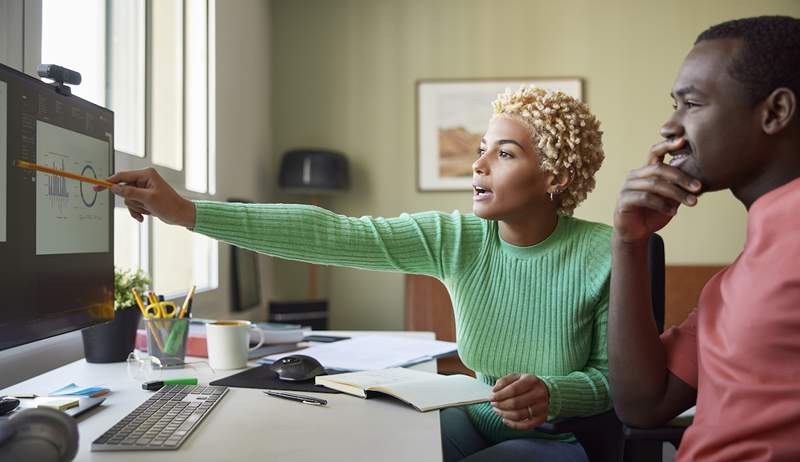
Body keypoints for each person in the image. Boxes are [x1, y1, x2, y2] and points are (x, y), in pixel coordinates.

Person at [105, 86, 609, 461]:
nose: (478, 164)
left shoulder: (604, 253)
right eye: (482, 147)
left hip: (554, 442)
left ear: (555, 177)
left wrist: (553, 393)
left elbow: (616, 381)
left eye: (504, 153)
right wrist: (187, 212)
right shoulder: (459, 239)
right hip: (471, 420)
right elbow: (329, 233)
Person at [609, 16, 800, 461]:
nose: (669, 128)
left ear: (774, 113)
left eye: (691, 104)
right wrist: (629, 244)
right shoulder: (735, 278)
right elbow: (643, 404)